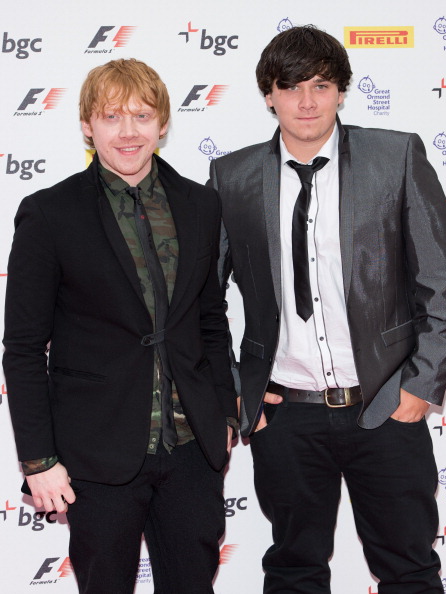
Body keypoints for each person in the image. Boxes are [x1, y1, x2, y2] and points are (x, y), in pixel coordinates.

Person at [209, 25, 446, 594]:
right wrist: (234, 387)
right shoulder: (233, 177)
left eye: (321, 85)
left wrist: (419, 387)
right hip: (285, 416)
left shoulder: (395, 156)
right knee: (294, 571)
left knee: (410, 571)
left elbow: (442, 280)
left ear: (342, 92)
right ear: (269, 94)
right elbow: (203, 300)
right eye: (290, 86)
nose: (306, 101)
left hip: (385, 406)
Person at [3, 58, 237, 594]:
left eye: (141, 115)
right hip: (95, 452)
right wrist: (39, 460)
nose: (128, 131)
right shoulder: (49, 213)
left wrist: (224, 411)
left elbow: (210, 318)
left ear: (162, 123)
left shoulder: (201, 204)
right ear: (88, 125)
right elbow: (23, 348)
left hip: (191, 450)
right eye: (112, 117)